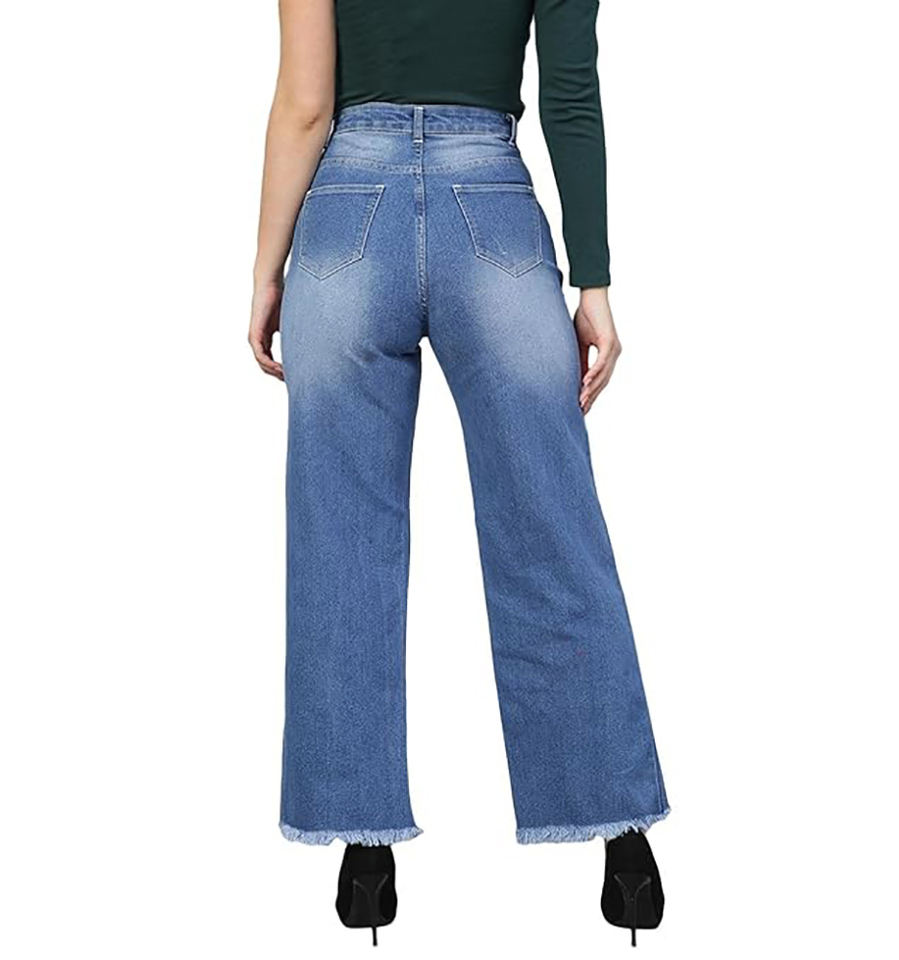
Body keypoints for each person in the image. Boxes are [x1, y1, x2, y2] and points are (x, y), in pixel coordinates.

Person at [248, 0, 669, 944]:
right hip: (495, 213)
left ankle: (363, 854)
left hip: (346, 215)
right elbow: (569, 89)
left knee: (341, 542)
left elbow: (306, 103)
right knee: (551, 528)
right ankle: (624, 845)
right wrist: (593, 279)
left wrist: (269, 269)